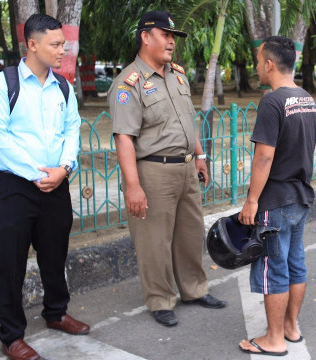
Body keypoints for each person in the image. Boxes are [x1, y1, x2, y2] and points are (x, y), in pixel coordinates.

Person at [109, 10, 226, 328]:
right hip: (153, 171)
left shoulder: (178, 75)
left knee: (189, 234)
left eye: (173, 36)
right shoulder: (128, 84)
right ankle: (160, 299)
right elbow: (124, 138)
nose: (172, 41)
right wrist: (132, 185)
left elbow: (188, 121)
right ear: (146, 37)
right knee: (154, 241)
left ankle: (194, 289)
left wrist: (200, 157)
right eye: (165, 34)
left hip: (187, 168)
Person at [0, 14, 88, 360]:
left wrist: (64, 167)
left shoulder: (62, 86)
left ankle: (56, 313)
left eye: (64, 43)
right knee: (8, 263)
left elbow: (72, 129)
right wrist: (39, 174)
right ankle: (11, 335)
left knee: (54, 255)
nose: (63, 50)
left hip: (55, 185)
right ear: (32, 44)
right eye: (55, 44)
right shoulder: (2, 85)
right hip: (13, 189)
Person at [237, 36, 316, 356]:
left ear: (269, 64)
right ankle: (290, 327)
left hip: (276, 200)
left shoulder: (272, 101)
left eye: (258, 60)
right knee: (296, 263)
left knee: (274, 266)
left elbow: (263, 158)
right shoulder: (306, 98)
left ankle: (273, 339)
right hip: (301, 195)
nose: (257, 66)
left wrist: (252, 200)